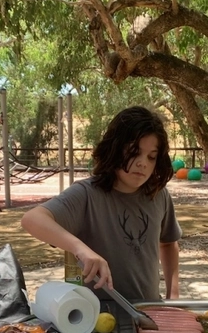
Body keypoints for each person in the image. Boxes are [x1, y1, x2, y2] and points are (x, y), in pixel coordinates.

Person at [21, 106, 181, 302]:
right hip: (96, 314)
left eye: (151, 157)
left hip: (150, 311)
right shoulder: (86, 194)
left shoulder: (159, 195)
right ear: (115, 149)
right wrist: (81, 249)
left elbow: (168, 244)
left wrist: (174, 296)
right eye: (134, 152)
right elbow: (32, 219)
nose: (143, 163)